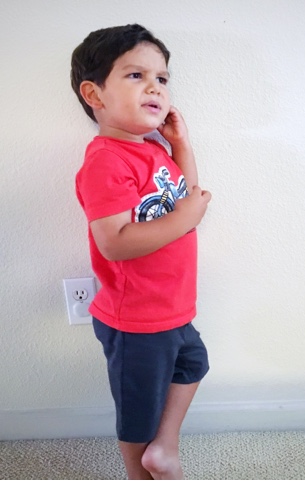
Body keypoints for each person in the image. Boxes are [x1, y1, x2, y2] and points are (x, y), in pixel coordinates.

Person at [70, 24, 211, 480]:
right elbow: (114, 241)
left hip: (171, 305)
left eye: (162, 78)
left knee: (194, 363)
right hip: (136, 316)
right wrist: (187, 218)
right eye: (136, 75)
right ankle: (139, 471)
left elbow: (187, 195)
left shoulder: (153, 150)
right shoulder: (106, 160)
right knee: (138, 411)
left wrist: (181, 144)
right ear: (94, 94)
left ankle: (163, 449)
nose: (155, 87)